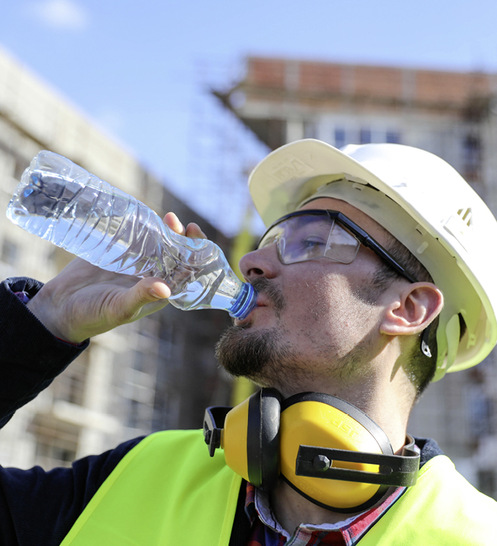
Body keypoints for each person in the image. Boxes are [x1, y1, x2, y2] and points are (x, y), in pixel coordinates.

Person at [1, 139, 496, 545]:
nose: (251, 263)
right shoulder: (136, 474)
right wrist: (41, 322)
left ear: (408, 309)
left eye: (311, 241)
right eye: (268, 240)